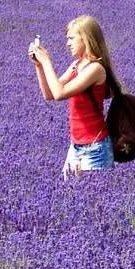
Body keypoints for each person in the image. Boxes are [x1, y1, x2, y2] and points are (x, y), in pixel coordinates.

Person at [29, 15, 121, 177]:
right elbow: (49, 94)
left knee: (93, 199)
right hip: (76, 146)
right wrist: (39, 66)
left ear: (85, 38)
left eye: (71, 38)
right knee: (70, 196)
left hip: (95, 148)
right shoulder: (75, 66)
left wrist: (47, 62)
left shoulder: (95, 69)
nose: (68, 43)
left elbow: (60, 94)